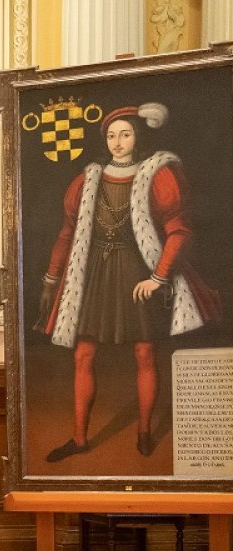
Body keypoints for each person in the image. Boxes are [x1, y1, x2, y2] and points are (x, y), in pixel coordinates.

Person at [38, 103, 219, 463]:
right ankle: (79, 437)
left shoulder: (159, 174)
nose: (117, 142)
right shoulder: (88, 179)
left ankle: (144, 431)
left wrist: (158, 276)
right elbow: (68, 232)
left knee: (144, 353)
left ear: (138, 136)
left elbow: (179, 231)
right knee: (84, 354)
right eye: (111, 135)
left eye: (125, 134)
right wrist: (51, 275)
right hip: (95, 275)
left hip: (139, 272)